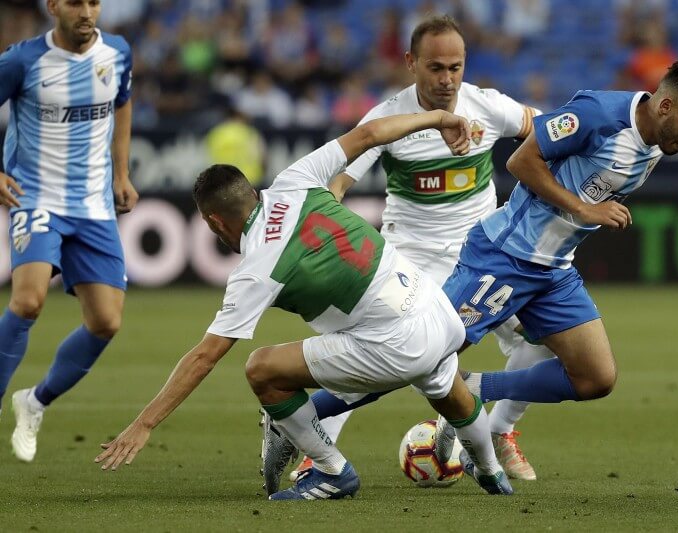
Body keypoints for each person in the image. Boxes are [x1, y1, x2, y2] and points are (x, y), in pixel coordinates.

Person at [95, 109, 514, 500]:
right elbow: (368, 134)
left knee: (262, 369)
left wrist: (144, 424)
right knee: (449, 394)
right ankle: (492, 472)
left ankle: (332, 470)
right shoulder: (296, 178)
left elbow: (205, 356)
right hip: (435, 307)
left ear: (214, 222)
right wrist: (439, 117)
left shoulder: (257, 265)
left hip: (397, 341)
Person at [296, 14, 555, 482]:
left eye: (456, 67)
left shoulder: (488, 106)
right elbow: (340, 179)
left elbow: (545, 130)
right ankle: (319, 450)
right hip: (410, 262)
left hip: (483, 257)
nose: (447, 79)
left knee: (544, 339)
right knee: (366, 354)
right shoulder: (387, 118)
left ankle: (499, 431)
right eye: (436, 68)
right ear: (411, 63)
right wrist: (327, 214)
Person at [433, 57, 678, 446]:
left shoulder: (658, 143)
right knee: (421, 354)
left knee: (596, 377)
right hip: (507, 256)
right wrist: (583, 208)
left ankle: (470, 389)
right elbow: (520, 160)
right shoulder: (597, 115)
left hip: (554, 271)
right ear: (666, 106)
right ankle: (324, 420)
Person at [0, 0, 136, 462]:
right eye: (76, 2)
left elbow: (123, 104)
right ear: (52, 6)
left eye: (94, 2)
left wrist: (121, 173)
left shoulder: (117, 52)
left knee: (106, 322)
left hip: (93, 206)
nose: (87, 11)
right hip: (35, 195)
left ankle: (34, 401)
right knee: (28, 299)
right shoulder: (22, 60)